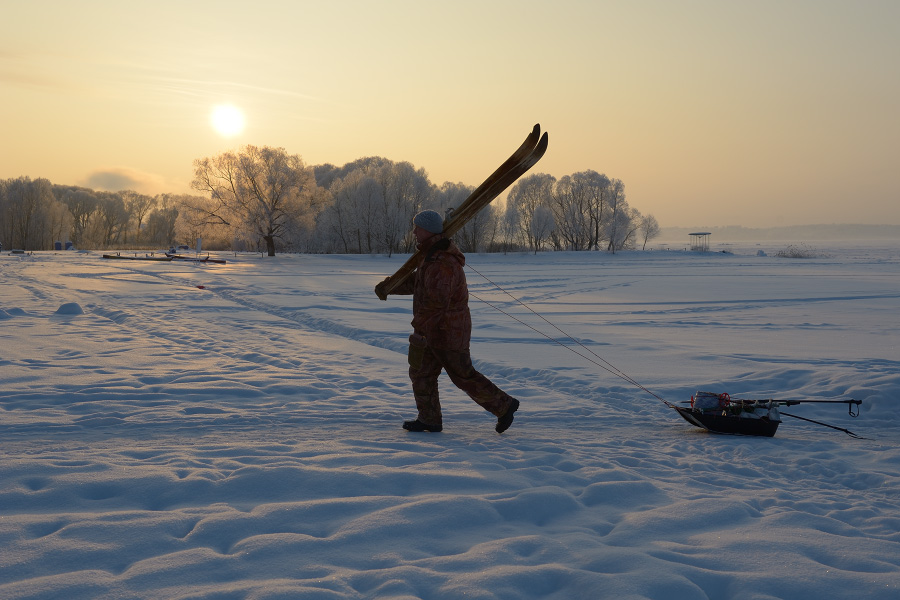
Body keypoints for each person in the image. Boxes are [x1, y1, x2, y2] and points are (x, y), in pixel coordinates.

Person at [376, 210, 519, 434]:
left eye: (417, 228)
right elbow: (419, 283)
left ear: (429, 231)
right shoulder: (430, 256)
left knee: (463, 375)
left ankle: (505, 406)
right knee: (421, 373)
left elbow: (435, 304)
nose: (414, 231)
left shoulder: (442, 263)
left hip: (449, 331)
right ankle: (429, 419)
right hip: (434, 330)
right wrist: (390, 286)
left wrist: (419, 331)